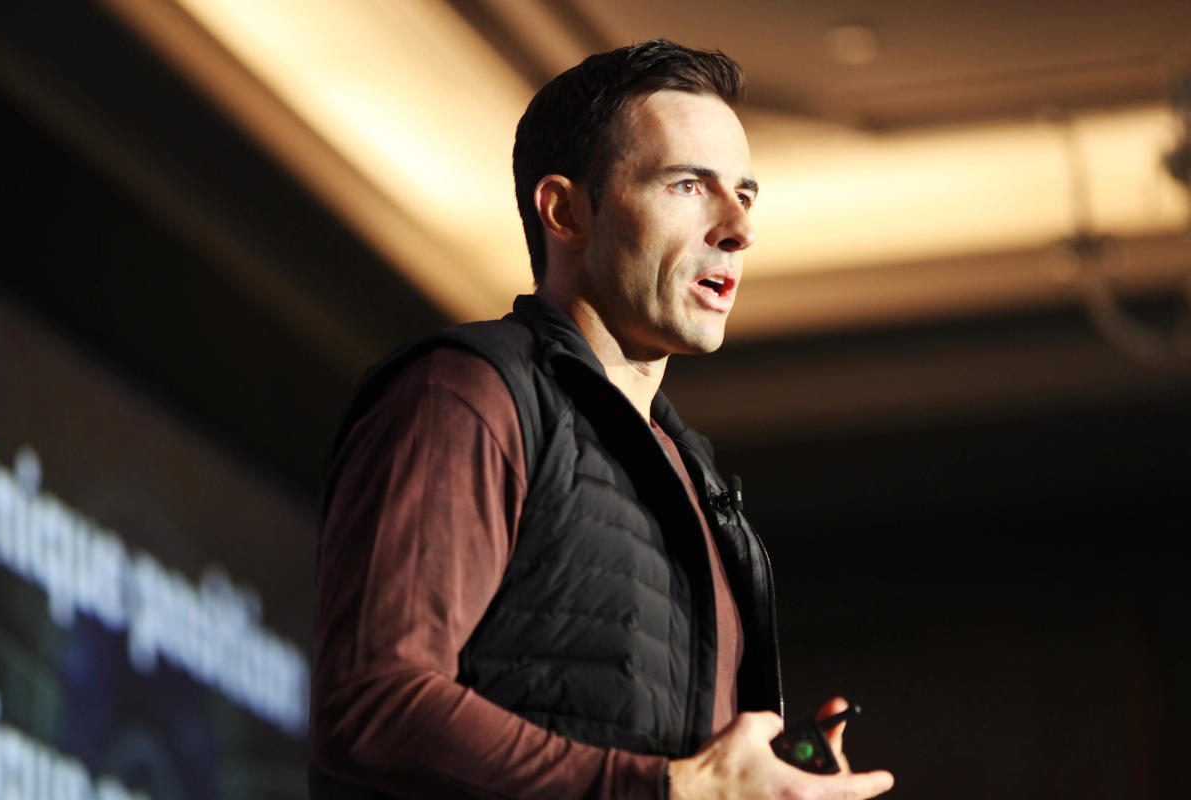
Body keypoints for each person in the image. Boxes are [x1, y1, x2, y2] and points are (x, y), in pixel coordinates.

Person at [309, 39, 894, 800]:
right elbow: (372, 706)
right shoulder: (466, 395)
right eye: (688, 186)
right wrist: (670, 789)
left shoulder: (697, 481)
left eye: (745, 195)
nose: (738, 230)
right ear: (565, 211)